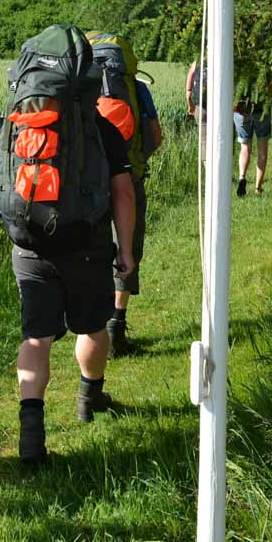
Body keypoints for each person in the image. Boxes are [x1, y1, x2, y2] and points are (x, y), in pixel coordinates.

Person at [12, 99, 136, 464]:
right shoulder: (101, 128)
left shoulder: (21, 123)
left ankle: (30, 440)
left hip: (31, 245)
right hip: (87, 244)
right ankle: (89, 396)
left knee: (36, 337)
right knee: (93, 326)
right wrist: (125, 249)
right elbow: (123, 192)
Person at [108, 79, 162, 357]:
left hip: (81, 186)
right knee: (126, 248)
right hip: (128, 177)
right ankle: (115, 327)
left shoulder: (74, 86)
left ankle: (90, 326)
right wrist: (137, 161)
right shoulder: (136, 87)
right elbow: (155, 135)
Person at [233, 69, 272, 197]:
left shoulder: (239, 64)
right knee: (262, 149)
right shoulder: (264, 66)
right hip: (261, 111)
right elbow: (271, 87)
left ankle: (242, 177)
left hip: (240, 112)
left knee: (245, 147)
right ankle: (258, 188)